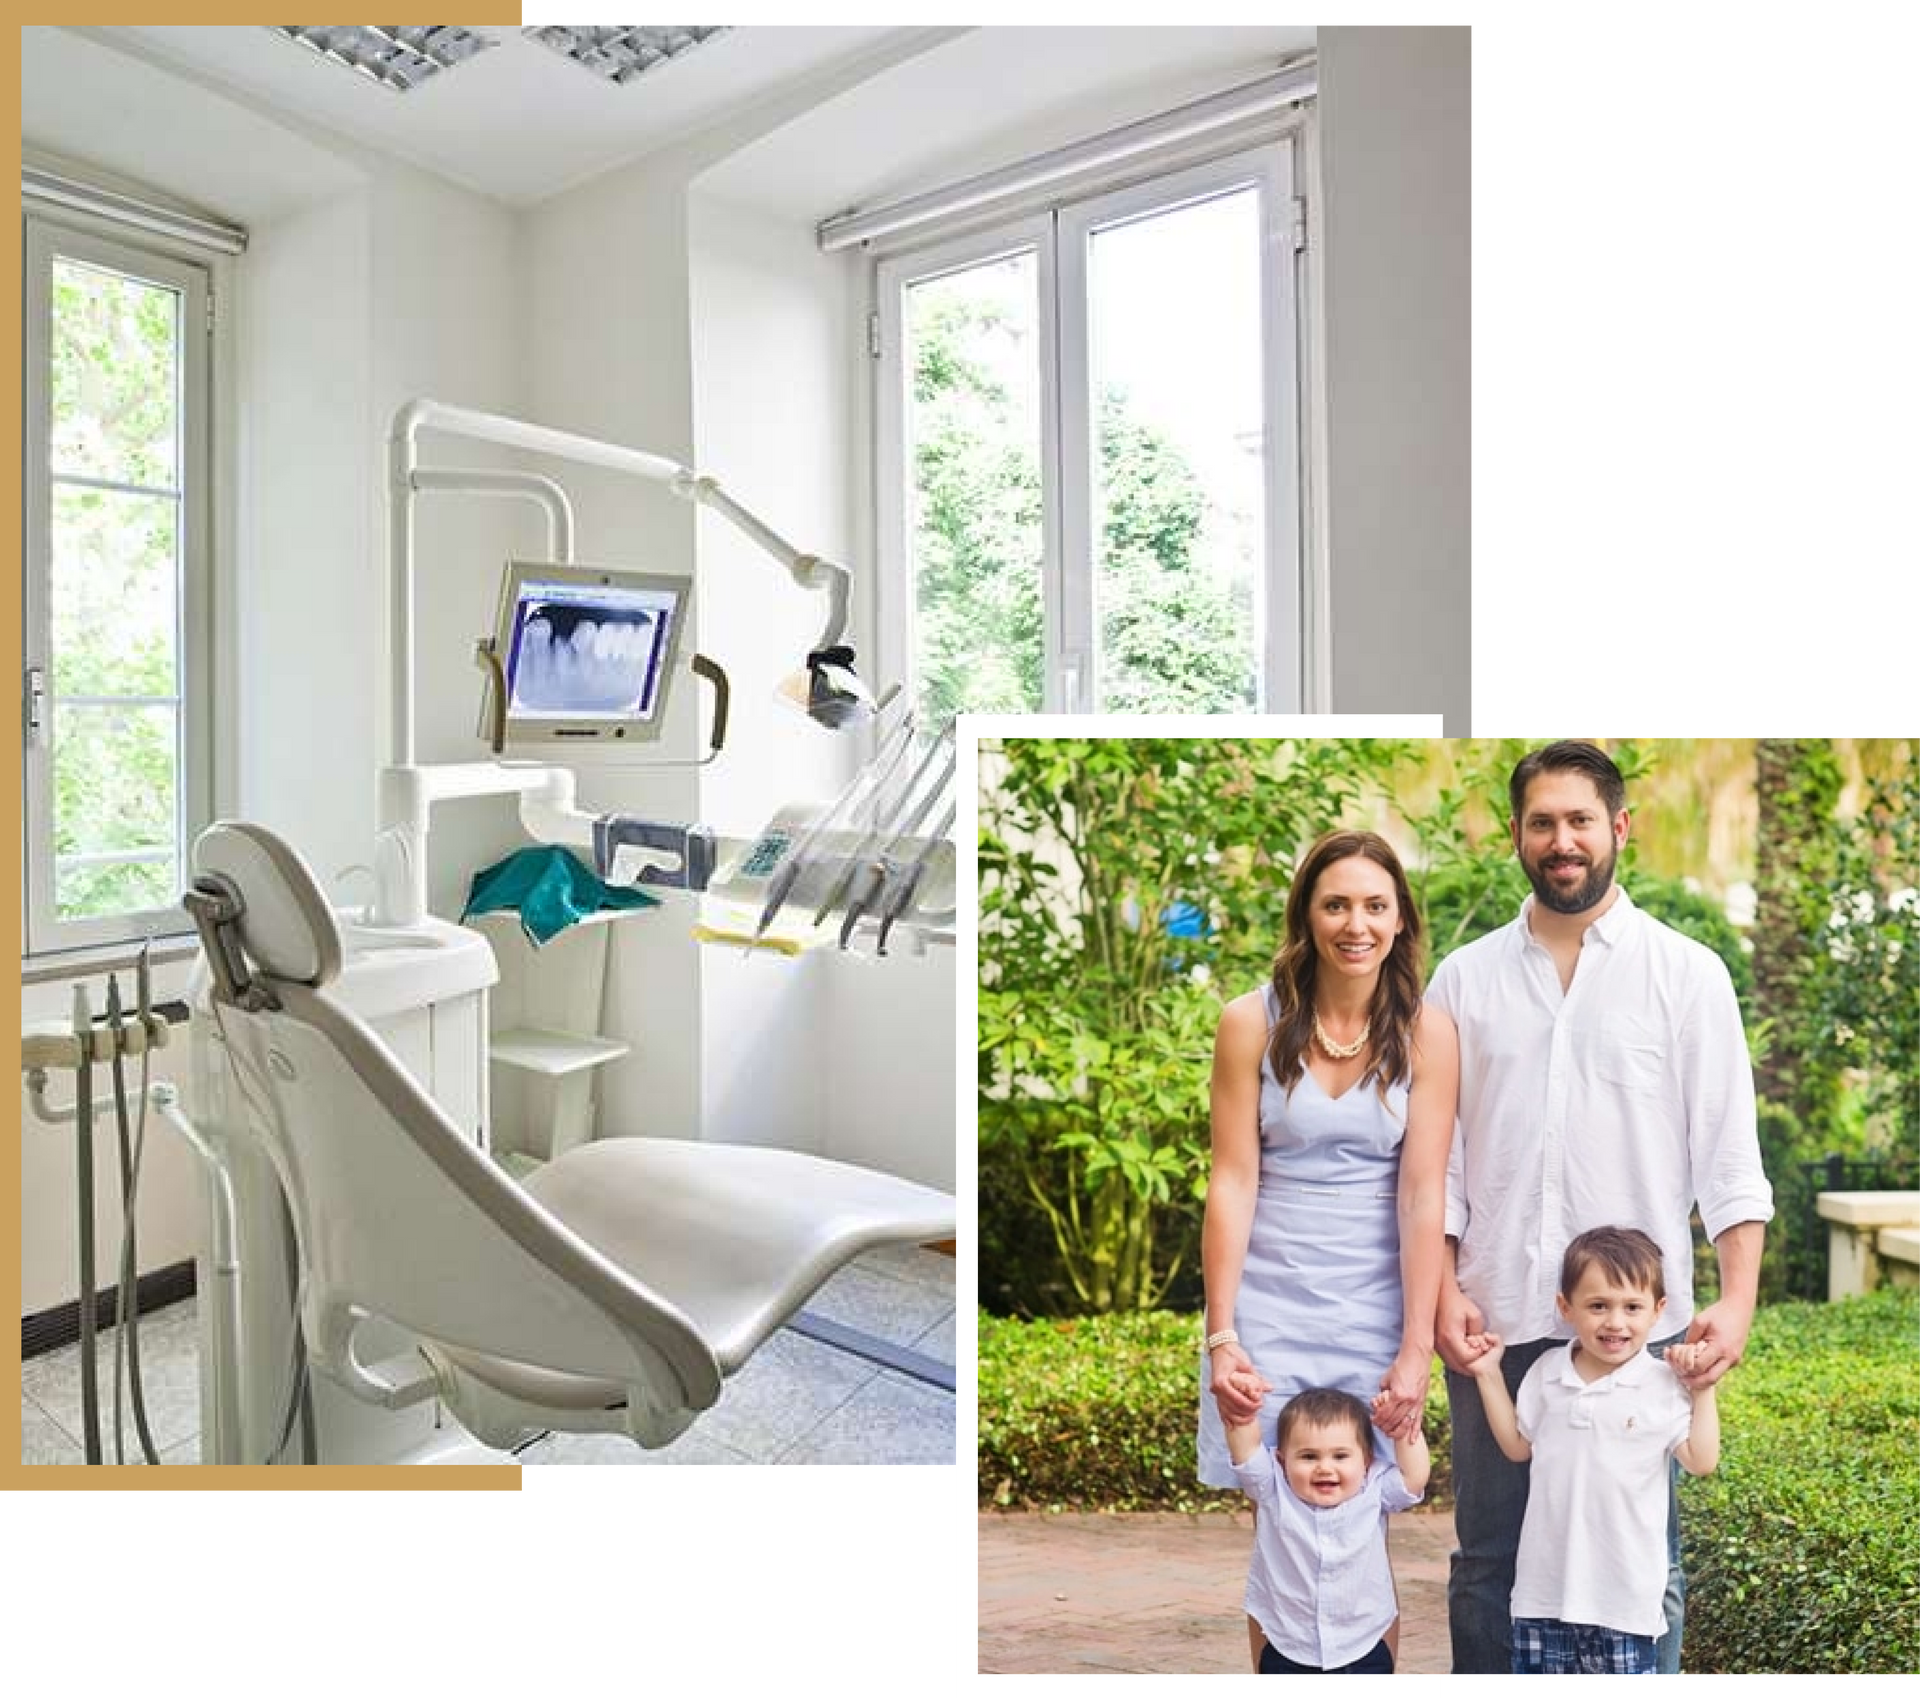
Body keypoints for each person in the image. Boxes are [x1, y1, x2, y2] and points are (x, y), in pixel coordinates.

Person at [1427, 739, 1773, 1678]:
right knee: (1487, 1563)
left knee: (1640, 1567)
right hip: (1495, 1317)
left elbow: (1730, 1162)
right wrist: (1442, 1290)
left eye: (1580, 820)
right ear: (1517, 837)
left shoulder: (1687, 975)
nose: (1562, 840)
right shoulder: (1463, 980)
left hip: (1633, 1332)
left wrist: (1735, 1302)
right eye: (1543, 822)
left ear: (1618, 828)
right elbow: (1440, 1164)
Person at [1198, 828, 1459, 1670]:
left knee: (1366, 1520)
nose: (1357, 923)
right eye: (1336, 904)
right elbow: (1232, 1182)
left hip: (1375, 1302)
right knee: (1275, 1518)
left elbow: (1425, 1193)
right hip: (1268, 1301)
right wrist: (1223, 1334)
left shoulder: (1428, 1032)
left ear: (1400, 920)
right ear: (1307, 916)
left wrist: (1417, 1346)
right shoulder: (1249, 1022)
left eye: (1375, 905)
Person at [1461, 1226, 1721, 1677]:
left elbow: (1702, 1461)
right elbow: (1518, 1446)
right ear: (1566, 1307)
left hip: (1624, 1604)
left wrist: (1703, 1391)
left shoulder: (1662, 1384)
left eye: (1632, 1307)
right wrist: (1487, 1374)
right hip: (1544, 1597)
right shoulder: (1547, 1372)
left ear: (1659, 1311)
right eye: (1598, 1305)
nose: (1615, 1323)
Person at [1222, 1382, 1431, 1674]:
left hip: (1363, 1644)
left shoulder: (1374, 1490)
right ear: (1282, 1461)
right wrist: (1241, 1405)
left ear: (1367, 1462)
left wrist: (1403, 1425)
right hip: (1288, 1645)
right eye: (1309, 1456)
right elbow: (1244, 1448)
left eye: (1340, 1456)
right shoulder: (1271, 1488)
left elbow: (1416, 1477)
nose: (1324, 1467)